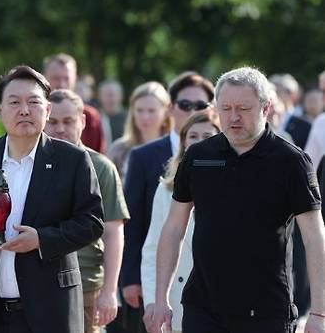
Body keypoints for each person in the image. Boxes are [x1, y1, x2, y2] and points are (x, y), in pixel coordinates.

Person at [149, 66, 325, 333]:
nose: (233, 117)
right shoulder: (198, 157)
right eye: (226, 108)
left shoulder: (291, 162)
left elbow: (314, 237)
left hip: (267, 311)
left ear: (266, 108)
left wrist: (319, 312)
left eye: (243, 109)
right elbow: (173, 229)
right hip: (202, 310)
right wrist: (159, 298)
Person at [0, 65, 105, 333]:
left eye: (33, 102)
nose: (24, 110)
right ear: (0, 110)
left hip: (50, 308)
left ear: (47, 110)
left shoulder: (72, 160)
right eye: (14, 102)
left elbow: (92, 222)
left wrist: (42, 239)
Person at [115, 71, 214, 333]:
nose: (192, 110)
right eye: (185, 104)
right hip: (167, 283)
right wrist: (133, 280)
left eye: (201, 105)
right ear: (172, 108)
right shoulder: (147, 159)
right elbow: (135, 226)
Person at [45, 89, 130, 333]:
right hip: (36, 282)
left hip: (85, 283)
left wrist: (110, 292)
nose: (60, 128)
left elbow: (114, 232)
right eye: (53, 122)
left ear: (82, 122)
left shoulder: (101, 167)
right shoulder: (30, 163)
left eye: (68, 121)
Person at [140, 112, 220, 333]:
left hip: (218, 302)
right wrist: (153, 302)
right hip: (174, 300)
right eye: (193, 135)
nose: (200, 141)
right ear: (183, 141)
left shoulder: (232, 187)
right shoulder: (166, 189)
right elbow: (152, 249)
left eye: (208, 135)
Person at [107, 81, 171, 181]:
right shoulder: (118, 150)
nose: (145, 117)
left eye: (151, 110)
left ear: (166, 112)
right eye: (139, 110)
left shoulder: (175, 148)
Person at [43, 53, 106, 153]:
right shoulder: (35, 114)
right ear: (44, 78)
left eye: (66, 78)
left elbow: (97, 156)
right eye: (56, 78)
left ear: (75, 79)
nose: (61, 84)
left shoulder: (90, 116)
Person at [98, 80, 127, 146]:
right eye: (106, 95)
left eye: (112, 95)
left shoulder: (129, 119)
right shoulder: (95, 120)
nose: (110, 99)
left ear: (121, 96)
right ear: (100, 97)